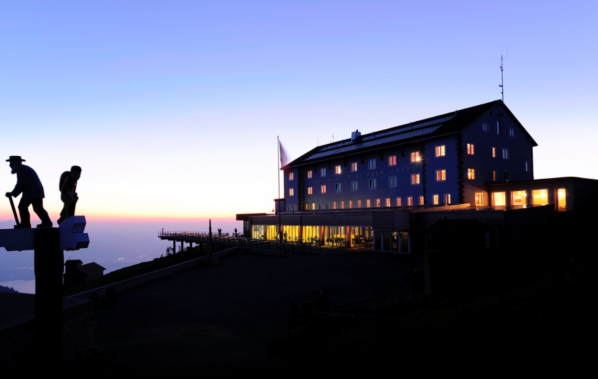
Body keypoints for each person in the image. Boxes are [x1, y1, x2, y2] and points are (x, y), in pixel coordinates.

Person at [5, 156, 53, 228]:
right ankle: (46, 222)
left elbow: (21, 183)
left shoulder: (21, 169)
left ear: (15, 163)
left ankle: (26, 224)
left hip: (32, 192)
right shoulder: (23, 169)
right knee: (37, 208)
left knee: (22, 206)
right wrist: (13, 193)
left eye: (11, 163)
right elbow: (22, 183)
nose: (10, 165)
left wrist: (12, 193)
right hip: (35, 191)